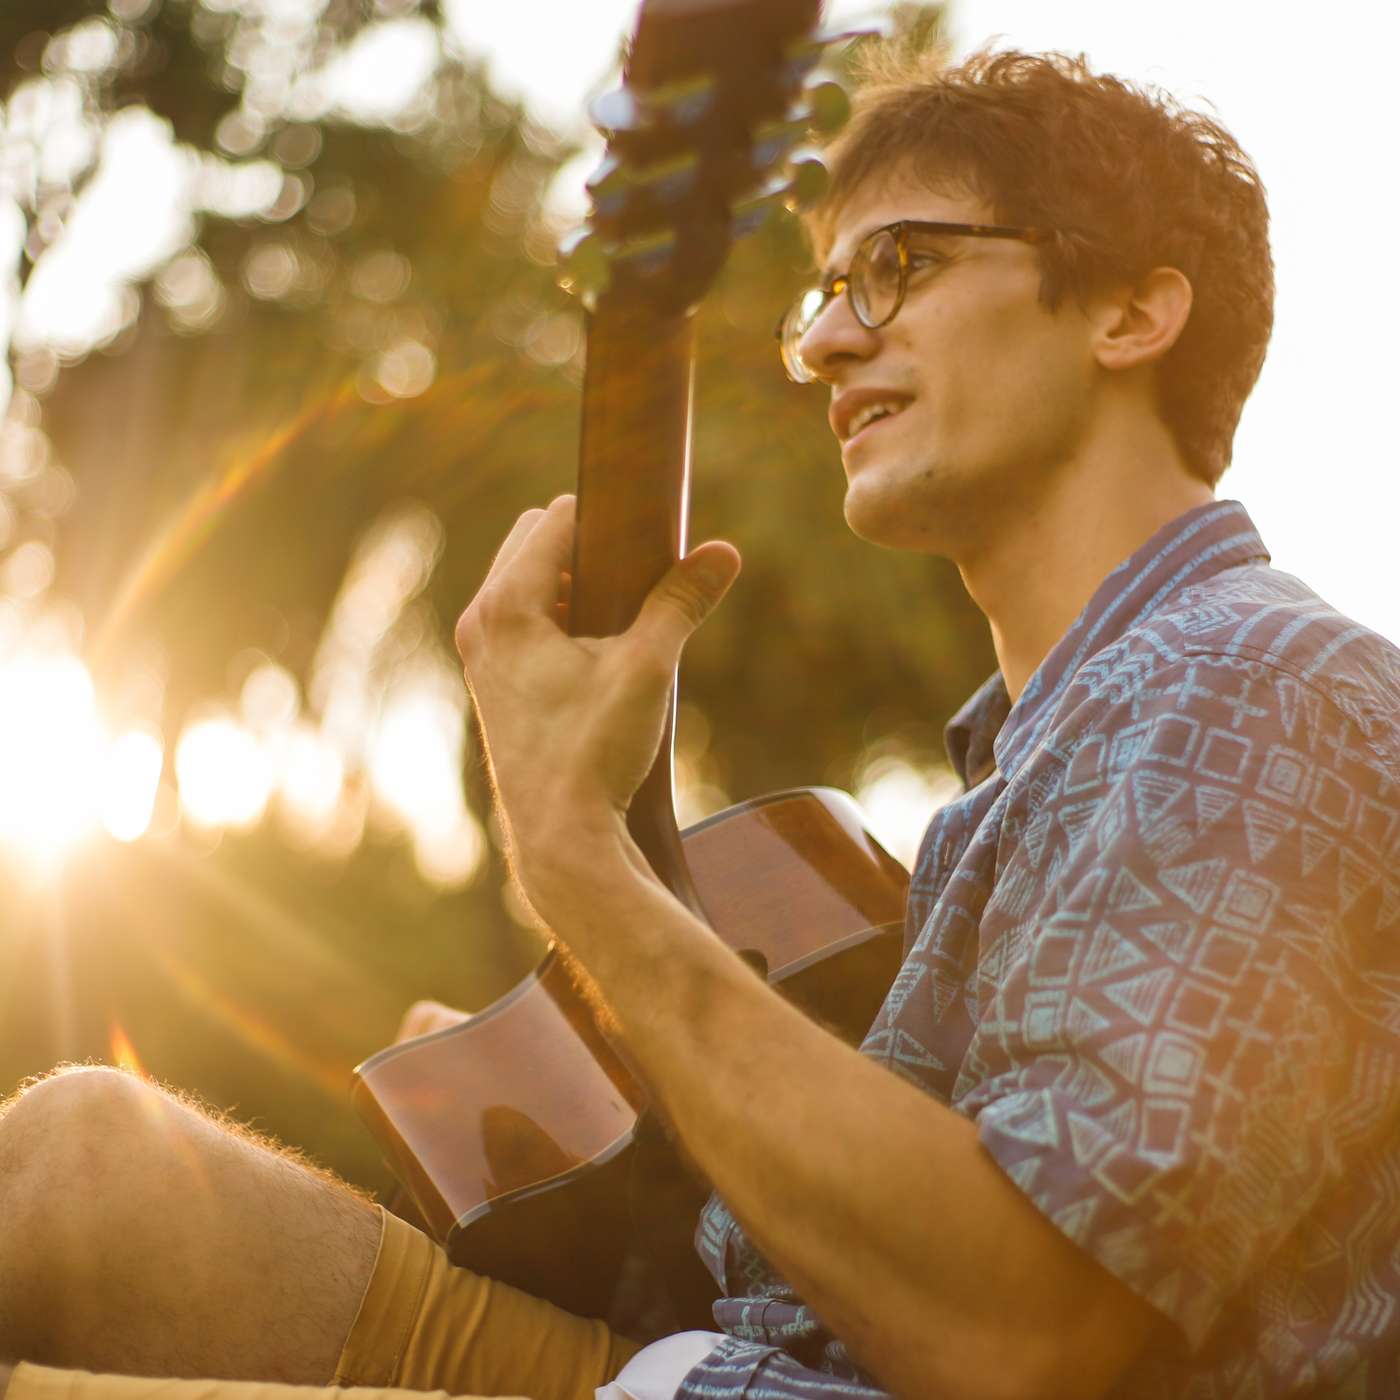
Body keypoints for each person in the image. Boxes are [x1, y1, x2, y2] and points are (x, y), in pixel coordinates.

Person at [3, 41, 1398, 1400]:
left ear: (1130, 313)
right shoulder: (1055, 750)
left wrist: (575, 861)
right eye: (828, 290)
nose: (827, 342)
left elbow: (1019, 1340)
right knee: (79, 1161)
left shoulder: (1253, 690)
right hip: (700, 1364)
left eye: (899, 266)